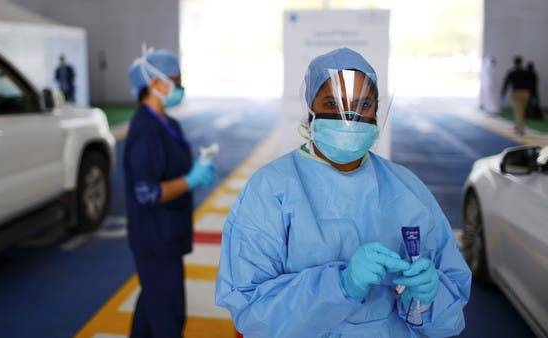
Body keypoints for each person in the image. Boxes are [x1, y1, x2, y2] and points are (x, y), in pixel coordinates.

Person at [215, 48, 471, 337]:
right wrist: (341, 285)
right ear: (310, 108)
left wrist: (426, 299)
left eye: (363, 105)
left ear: (376, 111)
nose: (349, 117)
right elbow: (252, 312)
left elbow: (448, 315)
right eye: (333, 103)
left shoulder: (407, 189)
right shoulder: (271, 189)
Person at [124, 49, 217, 337]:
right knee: (169, 317)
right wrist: (191, 180)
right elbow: (147, 192)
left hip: (169, 234)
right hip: (155, 239)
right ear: (154, 83)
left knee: (152, 308)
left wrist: (200, 168)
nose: (180, 87)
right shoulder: (145, 131)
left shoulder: (168, 124)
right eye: (175, 80)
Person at [501, 56, 533, 135]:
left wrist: (503, 93)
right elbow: (531, 83)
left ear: (514, 62)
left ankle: (520, 129)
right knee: (522, 111)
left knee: (518, 111)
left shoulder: (512, 72)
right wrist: (532, 94)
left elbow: (506, 83)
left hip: (517, 92)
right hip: (526, 93)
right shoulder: (526, 72)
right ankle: (518, 126)